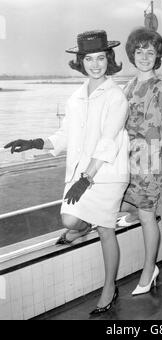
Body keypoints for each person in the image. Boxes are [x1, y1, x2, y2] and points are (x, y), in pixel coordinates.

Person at [4, 30, 129, 315]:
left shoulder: (116, 95)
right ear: (80, 61)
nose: (95, 64)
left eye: (100, 58)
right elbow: (65, 135)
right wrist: (36, 142)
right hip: (83, 172)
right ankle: (83, 227)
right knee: (70, 219)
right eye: (89, 58)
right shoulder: (75, 97)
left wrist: (86, 179)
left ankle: (109, 287)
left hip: (106, 172)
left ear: (109, 59)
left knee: (107, 229)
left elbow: (108, 142)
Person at [121, 27, 162, 295]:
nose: (145, 57)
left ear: (158, 56)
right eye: (139, 51)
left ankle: (149, 269)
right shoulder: (128, 86)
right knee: (140, 213)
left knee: (148, 217)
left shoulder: (161, 89)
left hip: (152, 163)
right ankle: (149, 267)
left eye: (150, 52)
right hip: (129, 163)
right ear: (132, 54)